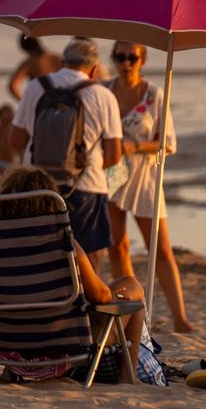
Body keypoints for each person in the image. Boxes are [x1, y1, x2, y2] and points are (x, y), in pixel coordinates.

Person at [0, 167, 144, 362]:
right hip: (63, 344)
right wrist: (117, 295)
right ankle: (127, 377)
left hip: (5, 343)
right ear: (50, 203)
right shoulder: (63, 243)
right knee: (133, 288)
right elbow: (102, 296)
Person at [105, 42, 193, 333]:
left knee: (162, 249)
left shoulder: (154, 94)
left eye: (132, 57)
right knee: (118, 248)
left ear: (142, 60)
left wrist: (135, 146)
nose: (126, 62)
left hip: (145, 178)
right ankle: (134, 313)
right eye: (120, 56)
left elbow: (168, 142)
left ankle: (181, 319)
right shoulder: (104, 91)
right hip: (110, 178)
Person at [10, 38, 125, 260]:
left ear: (64, 61)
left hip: (37, 183)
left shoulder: (36, 86)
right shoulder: (104, 95)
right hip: (86, 185)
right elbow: (114, 155)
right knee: (88, 258)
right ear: (93, 69)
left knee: (41, 255)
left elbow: (15, 139)